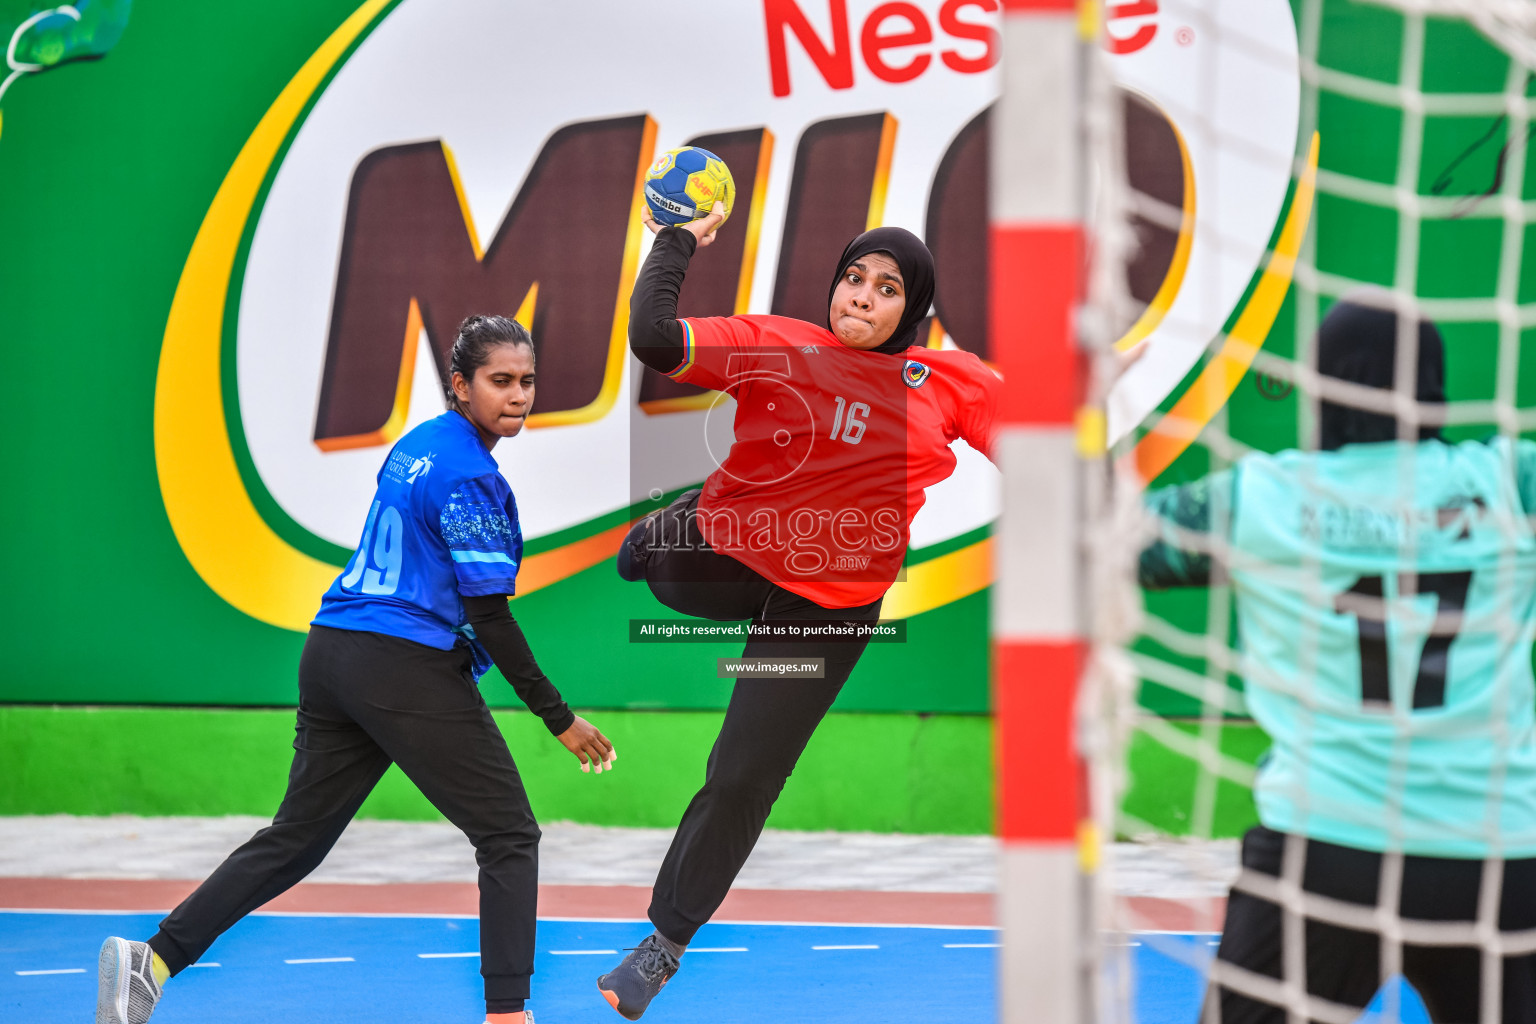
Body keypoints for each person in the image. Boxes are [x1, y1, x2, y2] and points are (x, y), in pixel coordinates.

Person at [96, 315, 616, 1024]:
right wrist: (559, 718)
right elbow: (489, 614)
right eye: (500, 381)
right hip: (398, 663)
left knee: (296, 839)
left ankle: (151, 961)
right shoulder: (473, 476)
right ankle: (508, 1015)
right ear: (460, 386)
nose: (518, 395)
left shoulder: (418, 446)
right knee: (509, 836)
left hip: (334, 650)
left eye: (527, 381)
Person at [595, 206, 1000, 1019]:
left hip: (821, 610)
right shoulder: (776, 343)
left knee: (744, 771)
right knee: (662, 565)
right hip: (721, 556)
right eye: (854, 278)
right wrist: (676, 240)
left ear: (911, 310)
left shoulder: (949, 382)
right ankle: (662, 527)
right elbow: (652, 337)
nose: (862, 296)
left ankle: (662, 944)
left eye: (886, 289)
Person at [1139, 297, 1536, 1023]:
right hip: (1497, 852)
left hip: (1326, 848)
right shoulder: (1513, 482)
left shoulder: (1260, 497)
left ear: (1324, 388)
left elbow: (1105, 543)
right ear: (1435, 388)